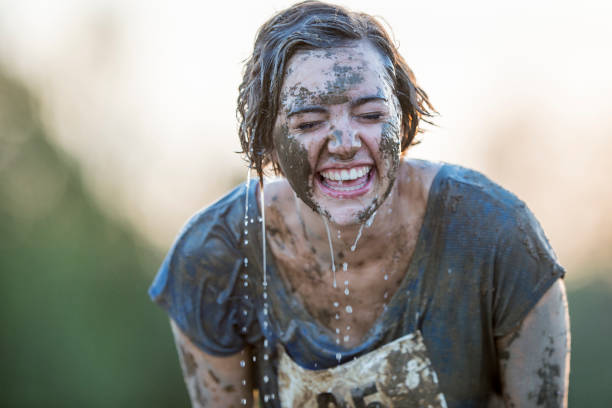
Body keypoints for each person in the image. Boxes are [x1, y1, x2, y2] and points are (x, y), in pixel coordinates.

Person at [149, 1, 570, 407]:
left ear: (403, 120)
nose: (346, 144)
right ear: (267, 141)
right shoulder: (215, 258)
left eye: (370, 115)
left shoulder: (496, 236)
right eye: (309, 123)